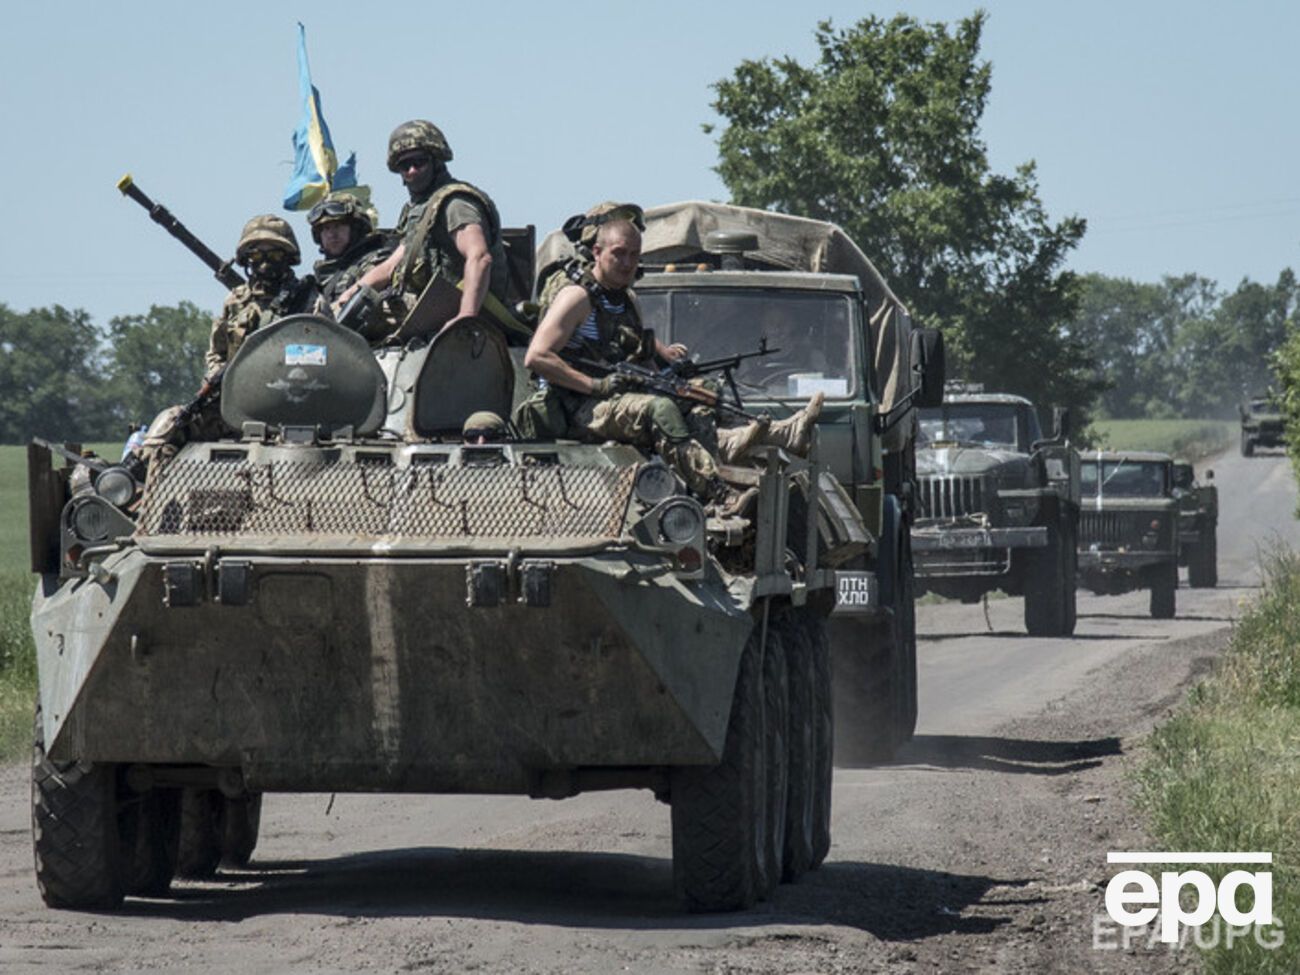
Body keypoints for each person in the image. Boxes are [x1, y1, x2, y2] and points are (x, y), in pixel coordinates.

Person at [519, 215, 757, 516]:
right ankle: (718, 492)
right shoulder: (577, 298)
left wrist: (671, 385)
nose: (626, 262)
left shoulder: (627, 299)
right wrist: (595, 385)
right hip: (577, 405)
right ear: (597, 253)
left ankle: (707, 486)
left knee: (701, 396)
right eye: (618, 253)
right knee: (660, 410)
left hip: (617, 398)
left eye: (634, 254)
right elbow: (537, 357)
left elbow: (641, 360)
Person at [339, 120, 507, 330]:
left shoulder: (455, 203)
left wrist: (466, 316)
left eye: (419, 162)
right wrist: (343, 299)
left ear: (436, 161)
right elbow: (391, 266)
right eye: (404, 165)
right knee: (350, 307)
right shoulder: (421, 210)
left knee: (365, 312)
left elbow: (480, 257)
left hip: (461, 310)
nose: (411, 170)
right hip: (428, 308)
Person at [206, 215, 320, 376]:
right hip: (243, 392)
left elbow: (325, 351)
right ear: (246, 260)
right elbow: (217, 354)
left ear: (288, 258)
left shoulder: (309, 298)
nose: (265, 263)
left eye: (275, 256)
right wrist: (218, 378)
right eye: (256, 256)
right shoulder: (235, 301)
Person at [307, 192, 394, 309]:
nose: (332, 234)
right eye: (326, 228)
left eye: (338, 226)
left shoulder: (375, 262)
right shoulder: (318, 284)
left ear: (355, 229)